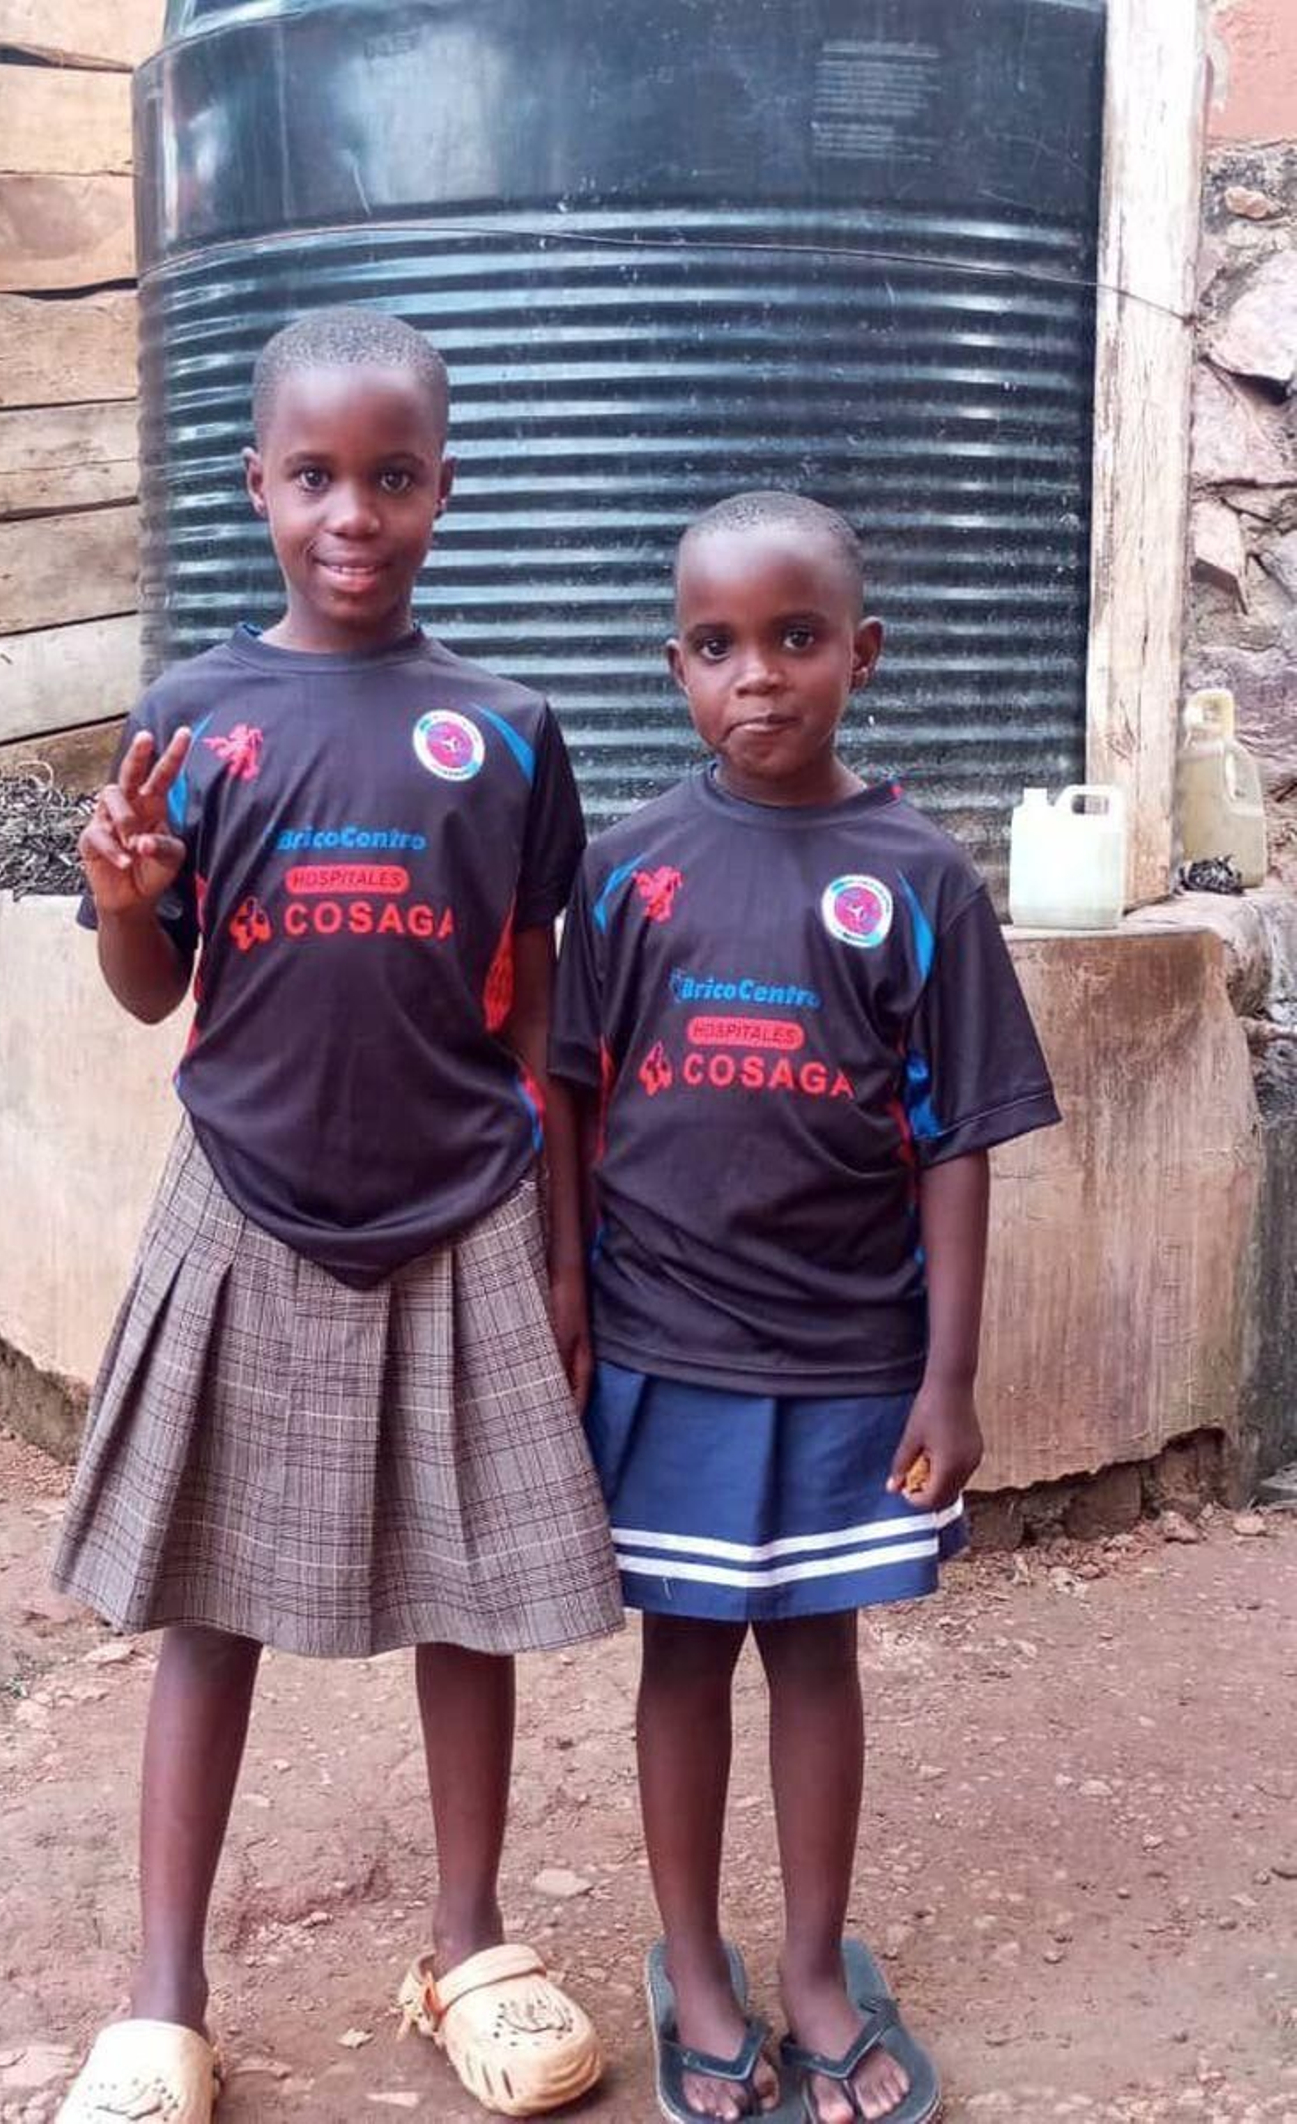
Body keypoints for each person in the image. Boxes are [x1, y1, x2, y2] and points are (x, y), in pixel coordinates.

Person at [51, 307, 622, 2124]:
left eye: (389, 477)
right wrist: (127, 898)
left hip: (460, 1203)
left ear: (444, 491)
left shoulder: (508, 733)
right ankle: (163, 1998)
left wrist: (559, 1239)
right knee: (207, 1608)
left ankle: (470, 1946)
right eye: (313, 477)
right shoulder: (192, 721)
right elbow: (151, 995)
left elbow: (536, 1001)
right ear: (257, 488)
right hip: (242, 1200)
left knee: (466, 1597)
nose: (350, 514)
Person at [551, 492, 1061, 2124]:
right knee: (684, 1658)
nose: (757, 677)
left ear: (862, 652)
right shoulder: (625, 874)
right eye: (716, 646)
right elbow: (565, 1103)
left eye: (794, 639)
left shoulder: (922, 878)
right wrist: (570, 1298)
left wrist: (949, 1377)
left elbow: (961, 1139)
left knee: (818, 1656)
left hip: (851, 1362)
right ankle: (696, 1965)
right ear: (675, 666)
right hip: (667, 1353)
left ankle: (821, 1964)